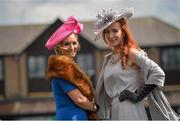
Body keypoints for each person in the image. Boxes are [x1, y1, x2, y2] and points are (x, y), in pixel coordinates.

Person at [94, 8, 179, 120]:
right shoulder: (108, 59)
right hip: (115, 110)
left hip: (130, 110)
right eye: (107, 32)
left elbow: (157, 72)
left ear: (123, 32)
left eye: (115, 31)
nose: (111, 35)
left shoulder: (131, 52)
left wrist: (138, 96)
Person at [45, 16, 99, 120]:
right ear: (58, 47)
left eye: (74, 43)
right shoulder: (61, 68)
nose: (72, 47)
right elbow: (79, 100)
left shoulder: (66, 66)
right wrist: (95, 108)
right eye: (66, 44)